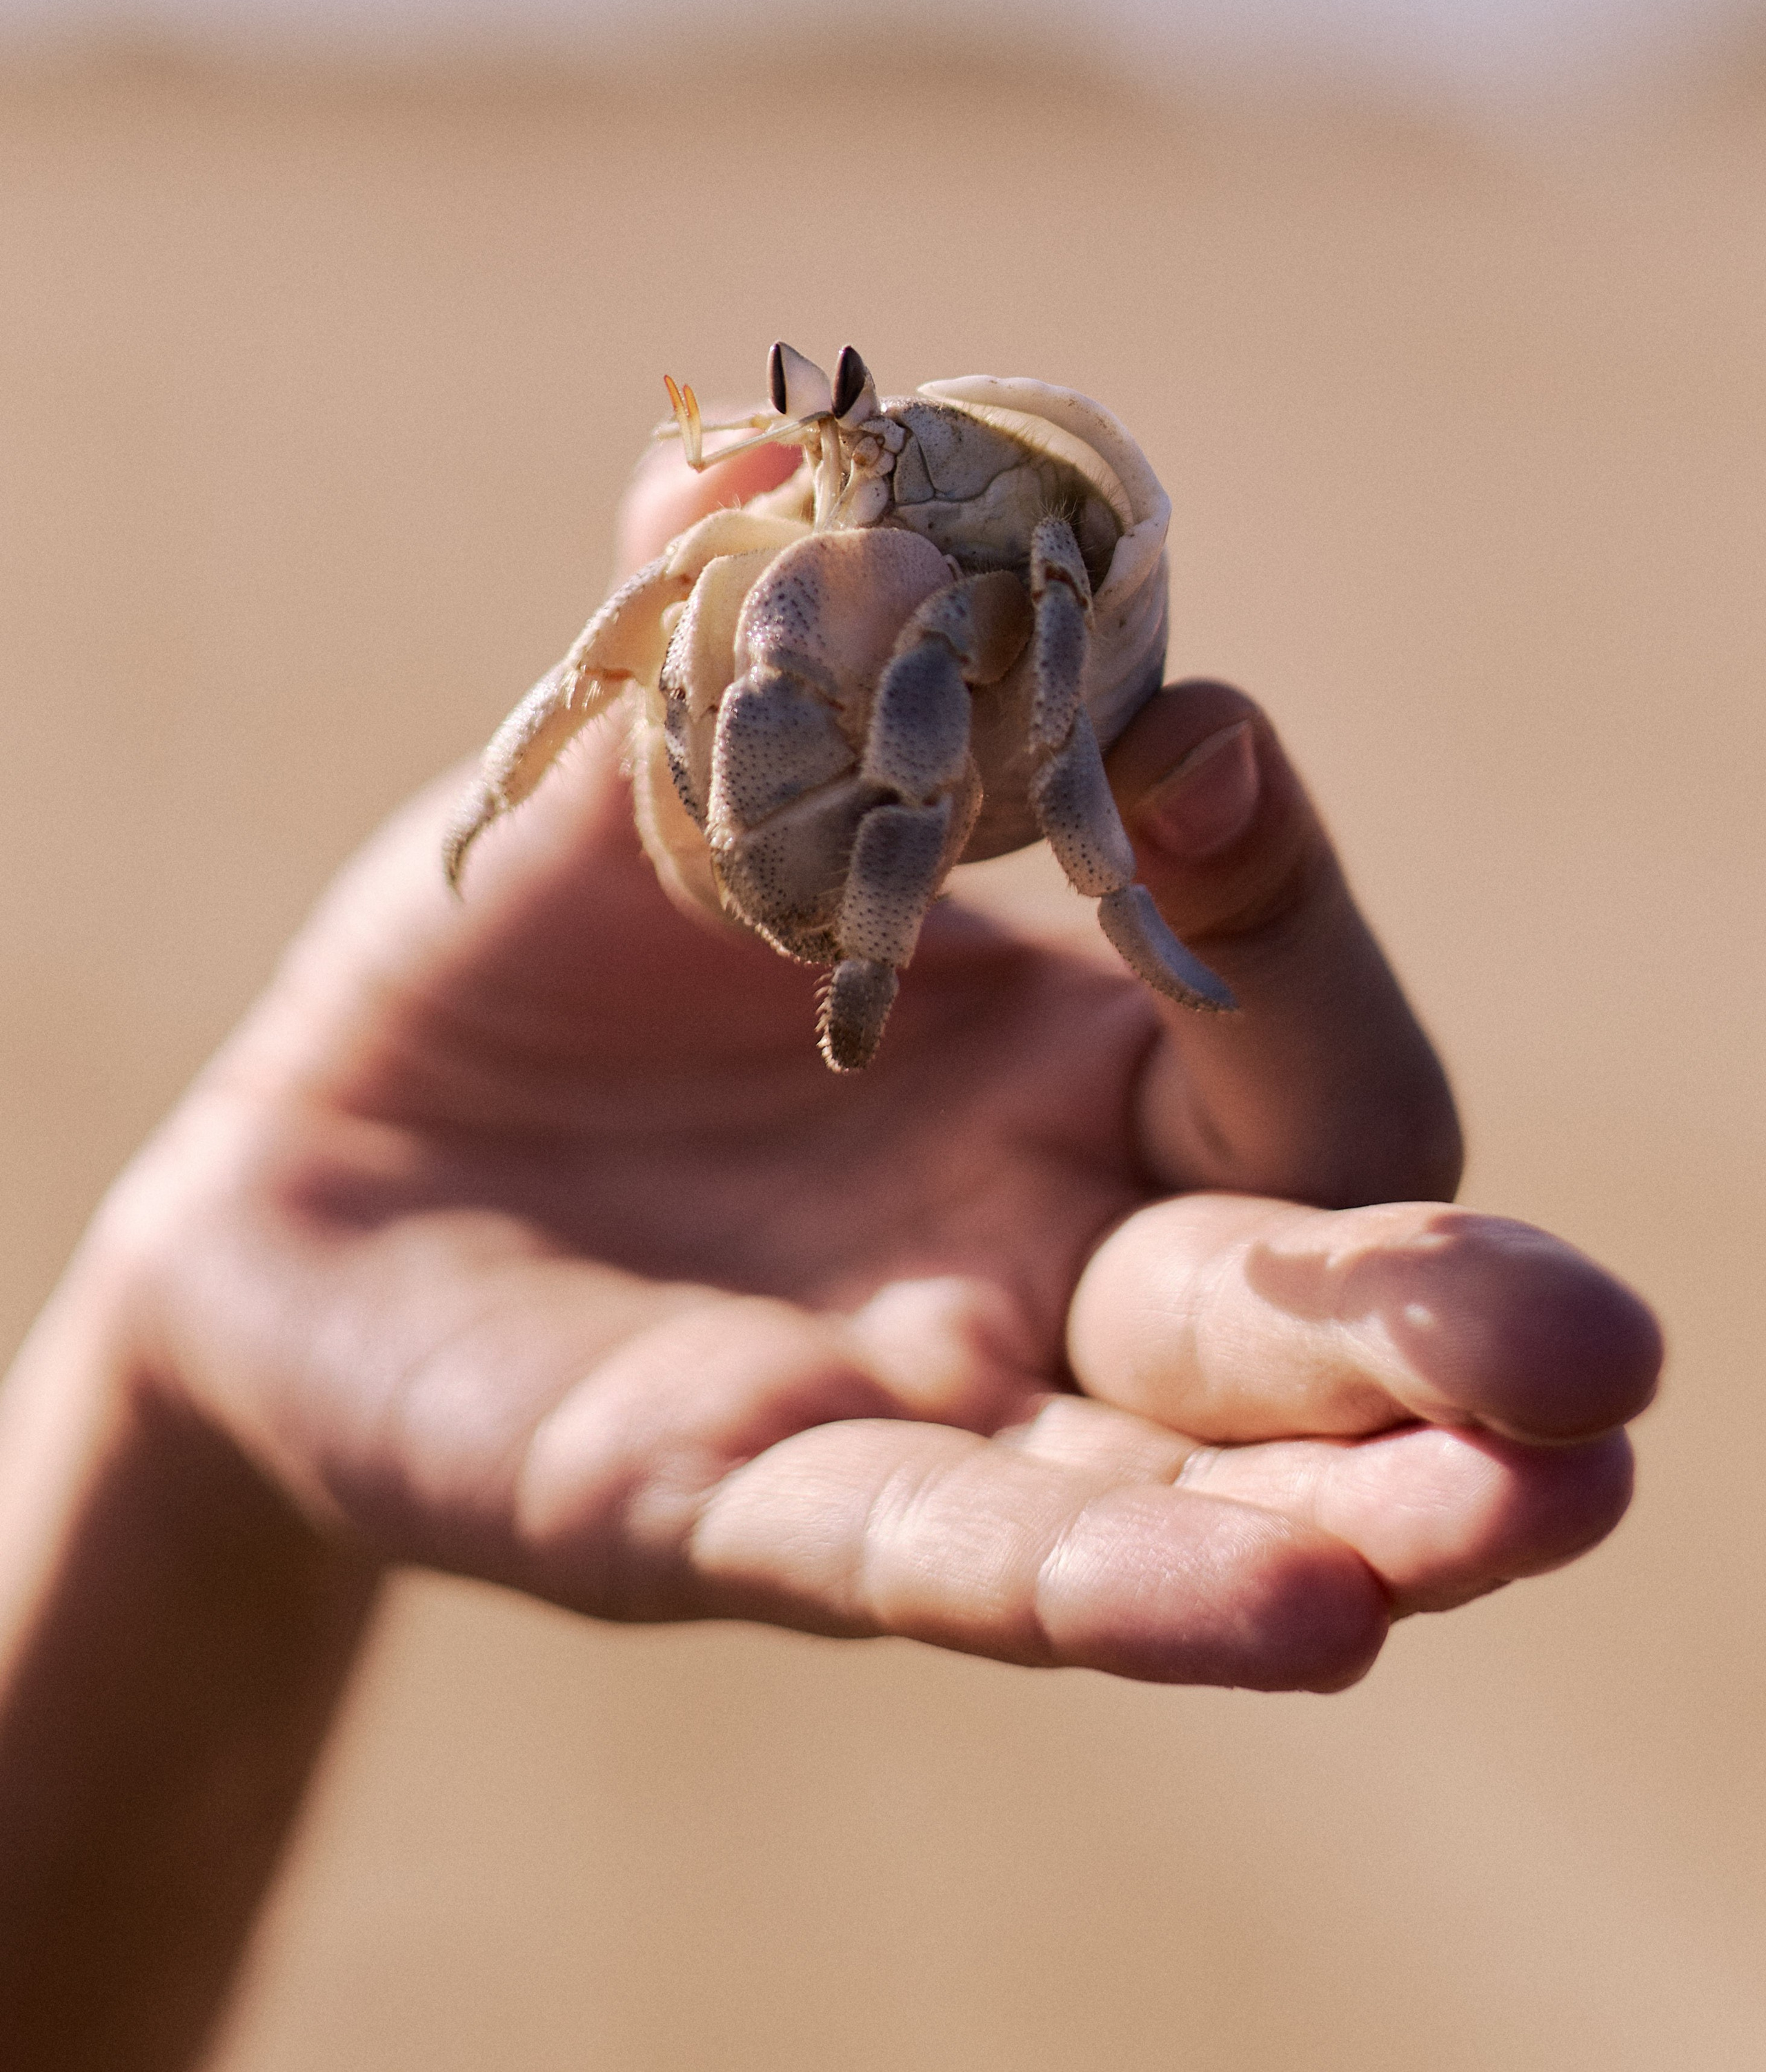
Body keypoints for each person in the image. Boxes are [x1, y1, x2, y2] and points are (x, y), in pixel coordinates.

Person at [0, 437, 1662, 2071]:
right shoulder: (811, 546)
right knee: (691, 588)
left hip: (1007, 635)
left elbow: (997, 674)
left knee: (913, 649)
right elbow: (658, 613)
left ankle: (862, 965)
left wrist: (183, 1406)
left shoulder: (985, 551)